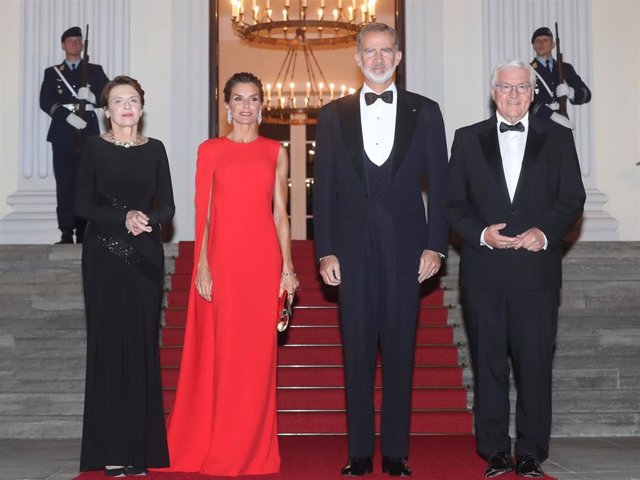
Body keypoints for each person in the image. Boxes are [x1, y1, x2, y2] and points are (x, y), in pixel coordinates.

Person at [313, 22, 448, 477]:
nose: (377, 58)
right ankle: (356, 452)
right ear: (356, 57)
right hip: (349, 251)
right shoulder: (332, 115)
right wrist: (325, 250)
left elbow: (443, 189)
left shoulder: (426, 112)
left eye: (385, 50)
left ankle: (394, 452)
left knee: (400, 349)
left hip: (409, 249)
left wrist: (437, 246)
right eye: (369, 51)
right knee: (355, 349)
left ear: (398, 56)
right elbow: (324, 190)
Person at [443, 59, 586, 478]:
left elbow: (571, 198)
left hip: (536, 272)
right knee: (488, 363)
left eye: (521, 88)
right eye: (505, 88)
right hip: (483, 272)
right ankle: (493, 451)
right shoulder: (467, 139)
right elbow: (453, 203)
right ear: (493, 92)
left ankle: (530, 451)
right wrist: (482, 234)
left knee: (535, 363)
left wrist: (544, 234)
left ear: (533, 93)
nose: (513, 95)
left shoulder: (559, 138)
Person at [159, 72, 298, 477]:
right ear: (227, 105)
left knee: (257, 360)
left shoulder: (275, 150)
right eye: (238, 99)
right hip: (222, 262)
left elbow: (280, 213)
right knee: (224, 357)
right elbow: (204, 212)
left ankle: (254, 451)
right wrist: (202, 264)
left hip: (262, 262)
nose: (245, 106)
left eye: (253, 99)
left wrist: (287, 268)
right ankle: (220, 445)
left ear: (262, 104)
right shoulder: (210, 150)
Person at [75, 75, 174, 476]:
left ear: (141, 107)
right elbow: (81, 204)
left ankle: (140, 450)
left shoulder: (156, 150)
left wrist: (146, 218)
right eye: (119, 101)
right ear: (107, 110)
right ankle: (111, 450)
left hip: (145, 256)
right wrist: (123, 216)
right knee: (110, 347)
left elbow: (167, 207)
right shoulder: (94, 148)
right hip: (104, 255)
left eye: (133, 100)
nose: (127, 107)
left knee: (140, 349)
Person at [40, 26, 109, 244]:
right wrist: (66, 116)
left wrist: (92, 97)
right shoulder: (53, 72)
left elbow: (108, 96)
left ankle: (84, 229)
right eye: (70, 41)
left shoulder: (94, 70)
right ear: (63, 45)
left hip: (87, 132)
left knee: (86, 182)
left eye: (78, 41)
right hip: (62, 133)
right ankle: (66, 231)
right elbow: (46, 101)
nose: (74, 44)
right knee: (65, 182)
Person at [529, 27, 591, 130]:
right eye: (537, 41)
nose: (541, 43)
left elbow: (586, 94)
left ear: (553, 44)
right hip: (538, 124)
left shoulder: (565, 68)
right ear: (533, 46)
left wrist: (571, 92)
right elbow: (527, 102)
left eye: (545, 40)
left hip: (562, 123)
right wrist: (552, 115)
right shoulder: (527, 70)